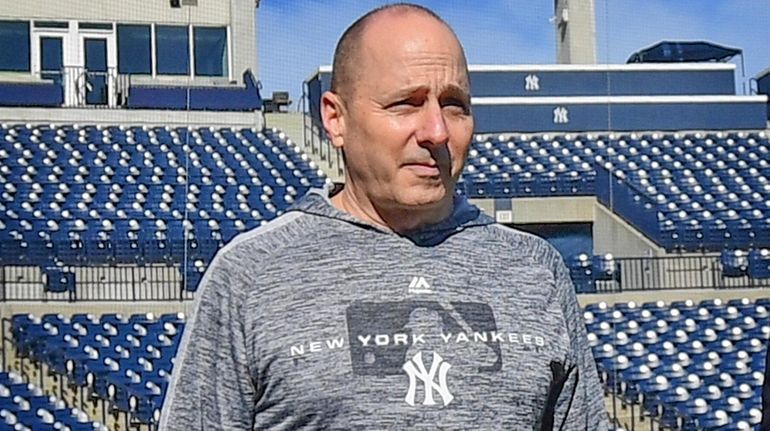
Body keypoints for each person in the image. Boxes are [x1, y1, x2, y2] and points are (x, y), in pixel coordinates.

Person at [159, 3, 609, 430]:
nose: (436, 131)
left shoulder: (536, 270)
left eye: (454, 105)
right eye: (405, 104)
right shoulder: (250, 276)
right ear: (336, 119)